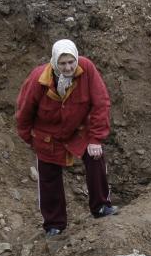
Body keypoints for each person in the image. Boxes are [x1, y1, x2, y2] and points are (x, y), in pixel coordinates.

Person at [15, 39, 116, 236]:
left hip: (78, 130)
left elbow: (101, 102)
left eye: (71, 62)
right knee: (48, 177)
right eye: (62, 63)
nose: (68, 67)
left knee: (95, 157)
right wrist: (29, 138)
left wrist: (96, 138)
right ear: (54, 62)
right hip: (48, 135)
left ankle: (101, 206)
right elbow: (24, 109)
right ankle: (54, 224)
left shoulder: (87, 69)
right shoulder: (39, 79)